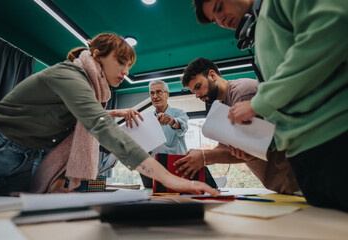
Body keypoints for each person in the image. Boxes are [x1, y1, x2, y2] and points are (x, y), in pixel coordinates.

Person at [0, 33, 218, 197]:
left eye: (129, 66)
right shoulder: (71, 75)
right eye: (121, 62)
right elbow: (100, 126)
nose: (126, 72)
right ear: (97, 56)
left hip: (25, 158)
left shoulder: (92, 91)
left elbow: (71, 128)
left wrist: (57, 182)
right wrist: (169, 178)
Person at [193, 0, 348, 211]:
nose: (220, 19)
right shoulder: (260, 31)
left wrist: (260, 102)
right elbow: (289, 104)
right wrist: (263, 145)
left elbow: (333, 25)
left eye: (220, 7)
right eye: (214, 19)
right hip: (303, 156)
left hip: (335, 138)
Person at [176, 57, 299, 194]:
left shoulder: (241, 93)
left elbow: (253, 149)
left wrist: (204, 157)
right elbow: (222, 149)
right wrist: (198, 156)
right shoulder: (221, 106)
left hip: (295, 180)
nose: (197, 95)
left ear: (212, 75)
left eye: (198, 87)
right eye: (194, 92)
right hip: (282, 185)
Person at [148, 80, 189, 157]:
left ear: (167, 94)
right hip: (155, 165)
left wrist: (171, 121)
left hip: (175, 163)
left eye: (159, 92)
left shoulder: (179, 113)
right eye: (152, 93)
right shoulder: (148, 119)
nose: (155, 96)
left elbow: (183, 128)